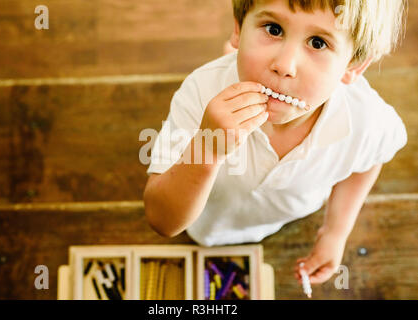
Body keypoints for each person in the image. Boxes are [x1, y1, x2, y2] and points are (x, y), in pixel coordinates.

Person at [143, 0, 408, 286]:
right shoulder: (200, 94)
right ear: (237, 27)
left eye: (318, 43)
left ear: (353, 65)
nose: (284, 65)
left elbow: (370, 160)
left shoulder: (367, 120)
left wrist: (335, 232)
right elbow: (162, 220)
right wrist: (206, 149)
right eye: (273, 29)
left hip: (281, 221)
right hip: (203, 226)